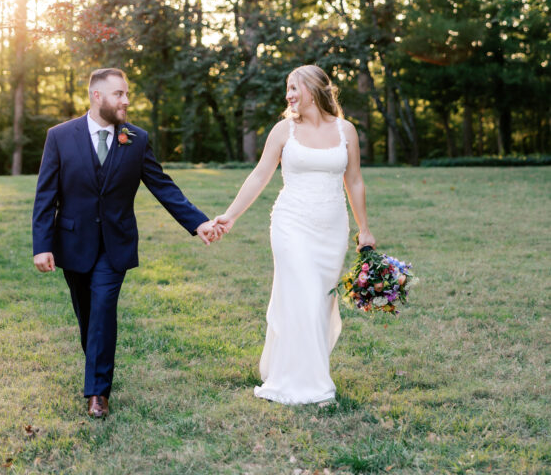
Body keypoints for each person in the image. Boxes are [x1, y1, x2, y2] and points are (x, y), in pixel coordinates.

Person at [32, 67, 219, 418]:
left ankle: (98, 393)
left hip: (115, 244)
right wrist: (42, 245)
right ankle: (97, 367)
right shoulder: (59, 136)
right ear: (97, 96)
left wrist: (198, 223)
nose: (126, 100)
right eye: (119, 94)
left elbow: (163, 186)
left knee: (103, 309)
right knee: (88, 317)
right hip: (73, 243)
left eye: (127, 93)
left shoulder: (136, 138)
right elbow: (46, 195)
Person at [213, 64, 375, 405]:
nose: (288, 95)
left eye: (293, 88)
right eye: (287, 88)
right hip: (292, 225)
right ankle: (305, 383)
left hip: (332, 230)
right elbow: (260, 175)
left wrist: (364, 229)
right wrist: (230, 215)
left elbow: (355, 180)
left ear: (315, 90)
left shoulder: (346, 130)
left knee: (318, 302)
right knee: (301, 294)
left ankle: (304, 369)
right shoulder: (283, 131)